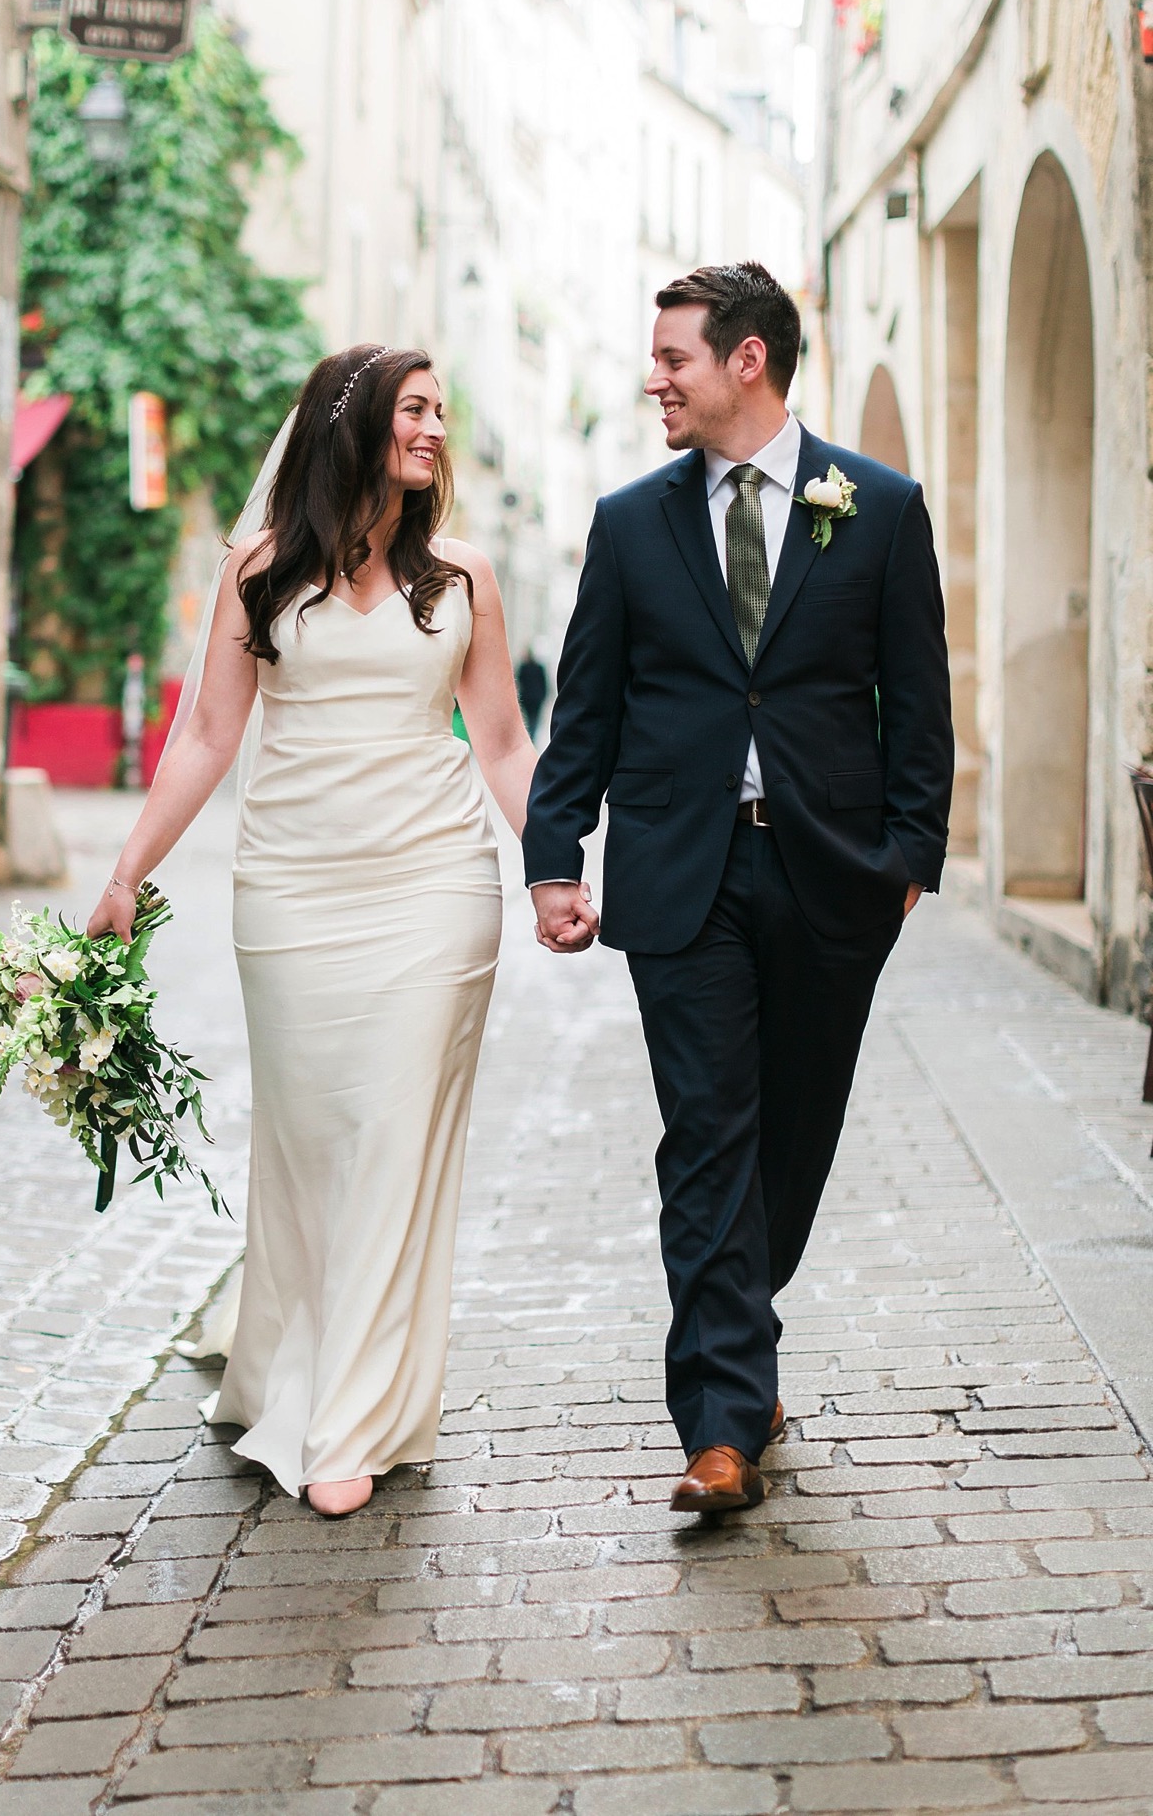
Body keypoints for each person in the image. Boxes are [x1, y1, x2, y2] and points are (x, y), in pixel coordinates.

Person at [523, 261, 951, 1514]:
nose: (652, 378)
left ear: (746, 361)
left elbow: (917, 706)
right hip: (679, 875)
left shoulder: (875, 507)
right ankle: (717, 1424)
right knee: (707, 1137)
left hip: (831, 874)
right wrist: (557, 858)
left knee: (794, 1134)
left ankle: (740, 1351)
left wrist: (908, 862)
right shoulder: (628, 522)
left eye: (673, 358)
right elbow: (586, 707)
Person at [89, 345, 536, 1519]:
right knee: (309, 1141)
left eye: (443, 409)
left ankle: (348, 1416)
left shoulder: (465, 581)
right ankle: (285, 1353)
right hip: (289, 892)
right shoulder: (258, 573)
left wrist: (557, 871)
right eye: (415, 410)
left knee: (392, 1135)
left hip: (438, 887)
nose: (437, 429)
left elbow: (499, 744)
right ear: (352, 428)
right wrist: (128, 871)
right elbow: (203, 739)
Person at [516, 649, 549, 739]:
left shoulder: (523, 668)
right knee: (534, 719)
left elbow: (519, 682)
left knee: (528, 719)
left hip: (527, 698)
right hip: (536, 699)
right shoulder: (539, 668)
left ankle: (529, 736)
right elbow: (544, 684)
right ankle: (531, 737)